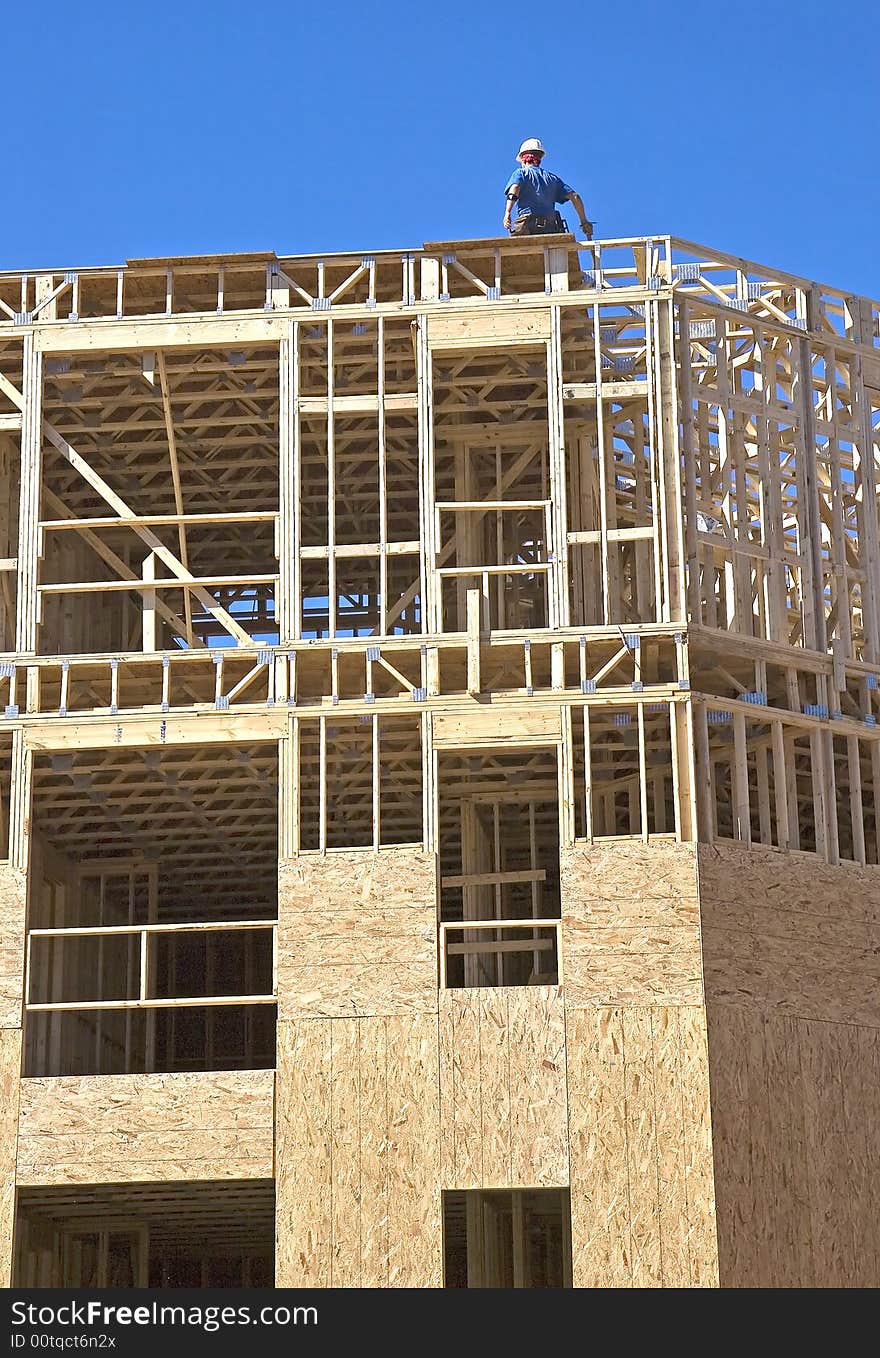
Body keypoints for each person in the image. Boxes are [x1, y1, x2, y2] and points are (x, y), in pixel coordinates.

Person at [503, 138, 593, 239]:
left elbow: (514, 190)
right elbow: (575, 197)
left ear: (523, 160)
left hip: (528, 226)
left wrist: (507, 213)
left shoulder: (521, 173)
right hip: (550, 228)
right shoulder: (552, 178)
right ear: (539, 159)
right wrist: (584, 222)